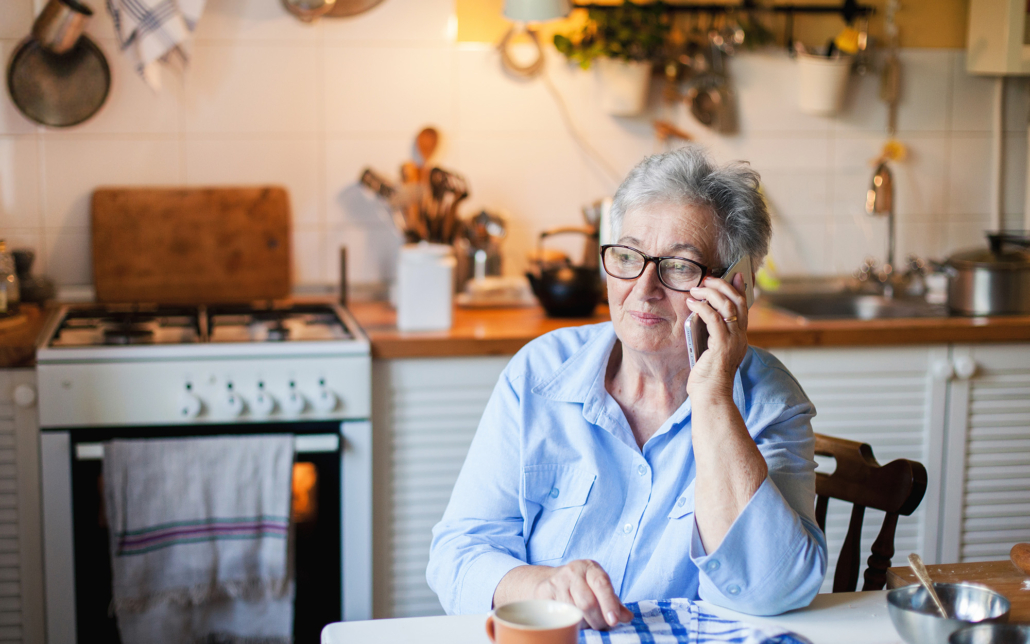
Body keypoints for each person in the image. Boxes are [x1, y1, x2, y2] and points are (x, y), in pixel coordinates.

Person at [427, 145, 827, 629]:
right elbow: (458, 554)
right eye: (627, 255)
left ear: (735, 285)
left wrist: (713, 394)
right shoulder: (538, 373)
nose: (643, 287)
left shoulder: (769, 401)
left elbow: (773, 590)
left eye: (679, 266)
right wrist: (542, 588)